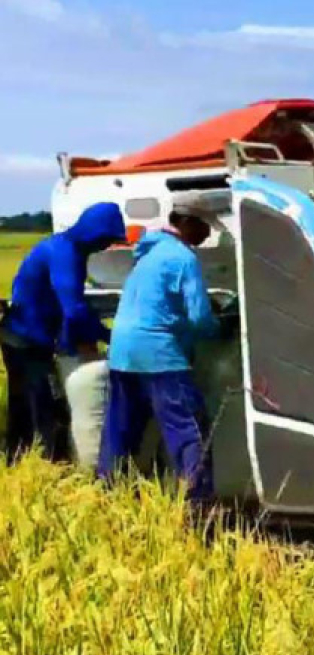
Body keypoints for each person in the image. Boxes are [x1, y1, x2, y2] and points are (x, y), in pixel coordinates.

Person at [96, 195, 225, 503]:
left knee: (121, 430)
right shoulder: (183, 258)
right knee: (190, 431)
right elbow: (199, 317)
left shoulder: (147, 254)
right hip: (159, 355)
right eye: (205, 227)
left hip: (122, 353)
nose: (208, 234)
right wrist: (220, 327)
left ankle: (106, 496)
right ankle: (198, 506)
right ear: (187, 223)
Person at [1, 202, 124, 463]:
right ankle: (42, 462)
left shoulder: (69, 250)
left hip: (29, 337)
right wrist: (109, 337)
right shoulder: (63, 253)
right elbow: (74, 309)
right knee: (39, 406)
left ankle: (20, 455)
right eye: (107, 239)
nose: (107, 246)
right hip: (25, 340)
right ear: (95, 232)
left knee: (29, 402)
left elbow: (66, 307)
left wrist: (69, 341)